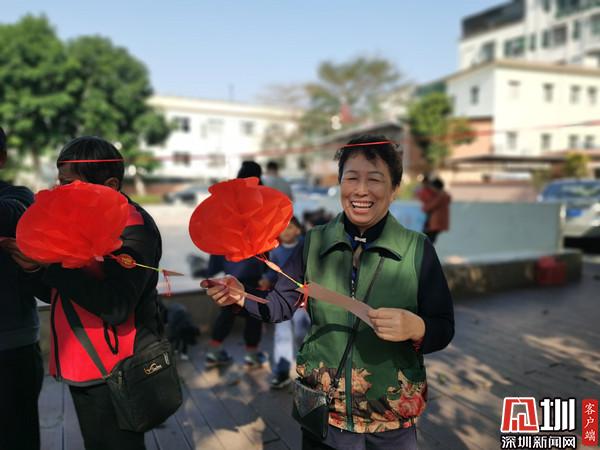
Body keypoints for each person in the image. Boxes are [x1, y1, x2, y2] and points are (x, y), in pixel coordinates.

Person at [202, 135, 454, 450]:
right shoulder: (314, 242)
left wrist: (417, 327)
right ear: (340, 183)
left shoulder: (418, 249)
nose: (361, 190)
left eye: (375, 180)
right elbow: (280, 304)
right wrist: (242, 295)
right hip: (324, 414)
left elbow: (443, 326)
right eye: (351, 178)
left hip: (391, 418)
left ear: (394, 189)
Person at [7, 136, 164, 450]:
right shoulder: (81, 222)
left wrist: (50, 268)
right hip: (81, 362)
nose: (60, 191)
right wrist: (34, 269)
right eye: (59, 182)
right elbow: (58, 295)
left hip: (116, 368)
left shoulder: (133, 230)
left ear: (110, 185)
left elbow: (117, 306)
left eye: (69, 184)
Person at [0, 126, 44, 450]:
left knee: (17, 437)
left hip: (11, 347)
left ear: (1, 159)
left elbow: (12, 217)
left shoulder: (17, 198)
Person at [204, 160, 268, 368]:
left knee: (228, 310)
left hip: (231, 265)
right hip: (253, 266)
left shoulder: (229, 198)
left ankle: (213, 352)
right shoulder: (262, 198)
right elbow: (266, 236)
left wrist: (215, 267)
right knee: (255, 311)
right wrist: (267, 271)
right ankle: (251, 355)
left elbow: (218, 232)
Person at [260, 216, 310, 389]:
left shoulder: (306, 246)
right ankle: (282, 372)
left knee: (302, 332)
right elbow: (272, 272)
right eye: (282, 229)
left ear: (298, 230)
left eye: (290, 227)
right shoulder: (276, 251)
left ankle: (309, 367)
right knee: (282, 335)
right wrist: (266, 279)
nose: (286, 232)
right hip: (282, 299)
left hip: (302, 301)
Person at [422, 177, 451, 245]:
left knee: (427, 242)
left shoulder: (440, 197)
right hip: (436, 224)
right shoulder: (443, 196)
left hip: (435, 224)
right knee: (428, 242)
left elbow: (427, 208)